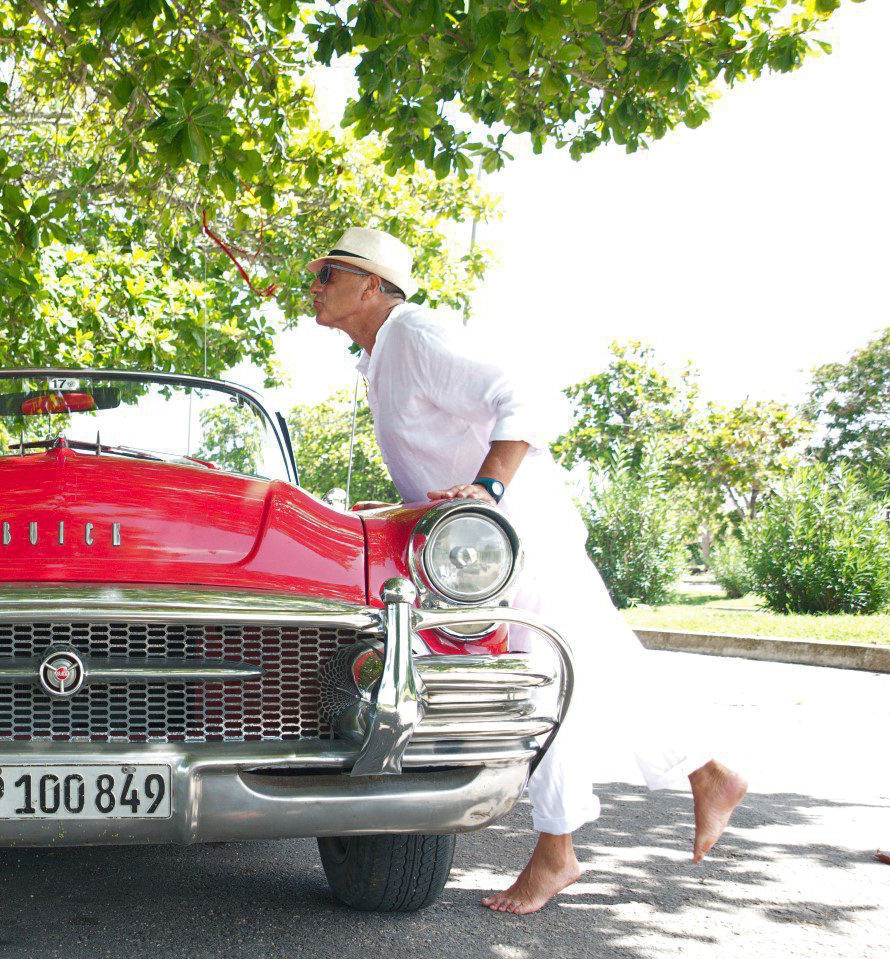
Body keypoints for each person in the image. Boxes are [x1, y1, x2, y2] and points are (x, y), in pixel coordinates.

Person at [307, 225, 749, 915]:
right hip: (489, 541)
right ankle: (707, 773)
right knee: (597, 661)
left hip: (512, 536)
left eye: (328, 275)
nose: (316, 287)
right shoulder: (382, 356)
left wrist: (488, 490)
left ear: (373, 285)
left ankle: (557, 853)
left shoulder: (414, 333)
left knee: (545, 681)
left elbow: (523, 396)